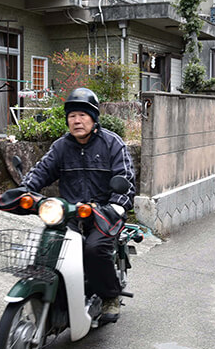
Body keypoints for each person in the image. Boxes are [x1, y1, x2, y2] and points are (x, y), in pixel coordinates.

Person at [20, 87, 136, 323]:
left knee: (94, 250)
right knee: (48, 248)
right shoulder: (61, 147)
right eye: (72, 116)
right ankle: (57, 299)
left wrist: (117, 206)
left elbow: (126, 180)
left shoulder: (112, 144)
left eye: (83, 115)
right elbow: (41, 171)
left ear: (94, 119)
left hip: (104, 214)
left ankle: (108, 296)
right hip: (69, 213)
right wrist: (23, 190)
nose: (77, 120)